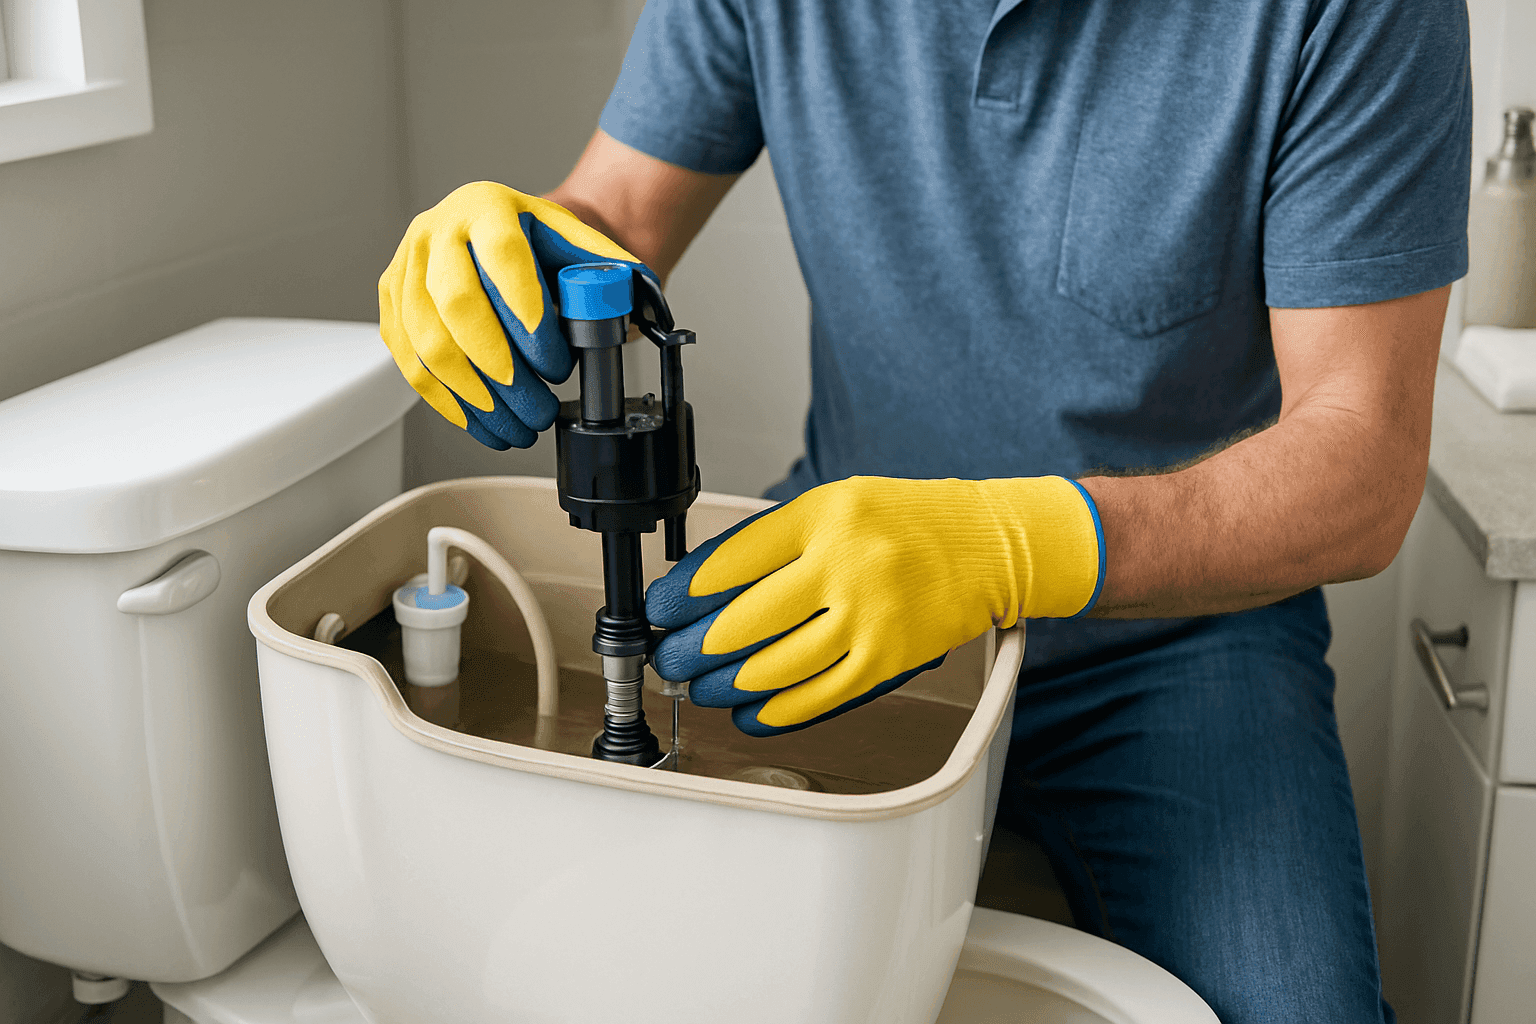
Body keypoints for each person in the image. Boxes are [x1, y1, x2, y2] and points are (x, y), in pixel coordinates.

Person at [377, 1, 1471, 1019]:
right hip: (850, 589)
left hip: (1177, 637)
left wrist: (1008, 545)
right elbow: (614, 215)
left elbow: (1362, 464)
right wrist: (514, 246)